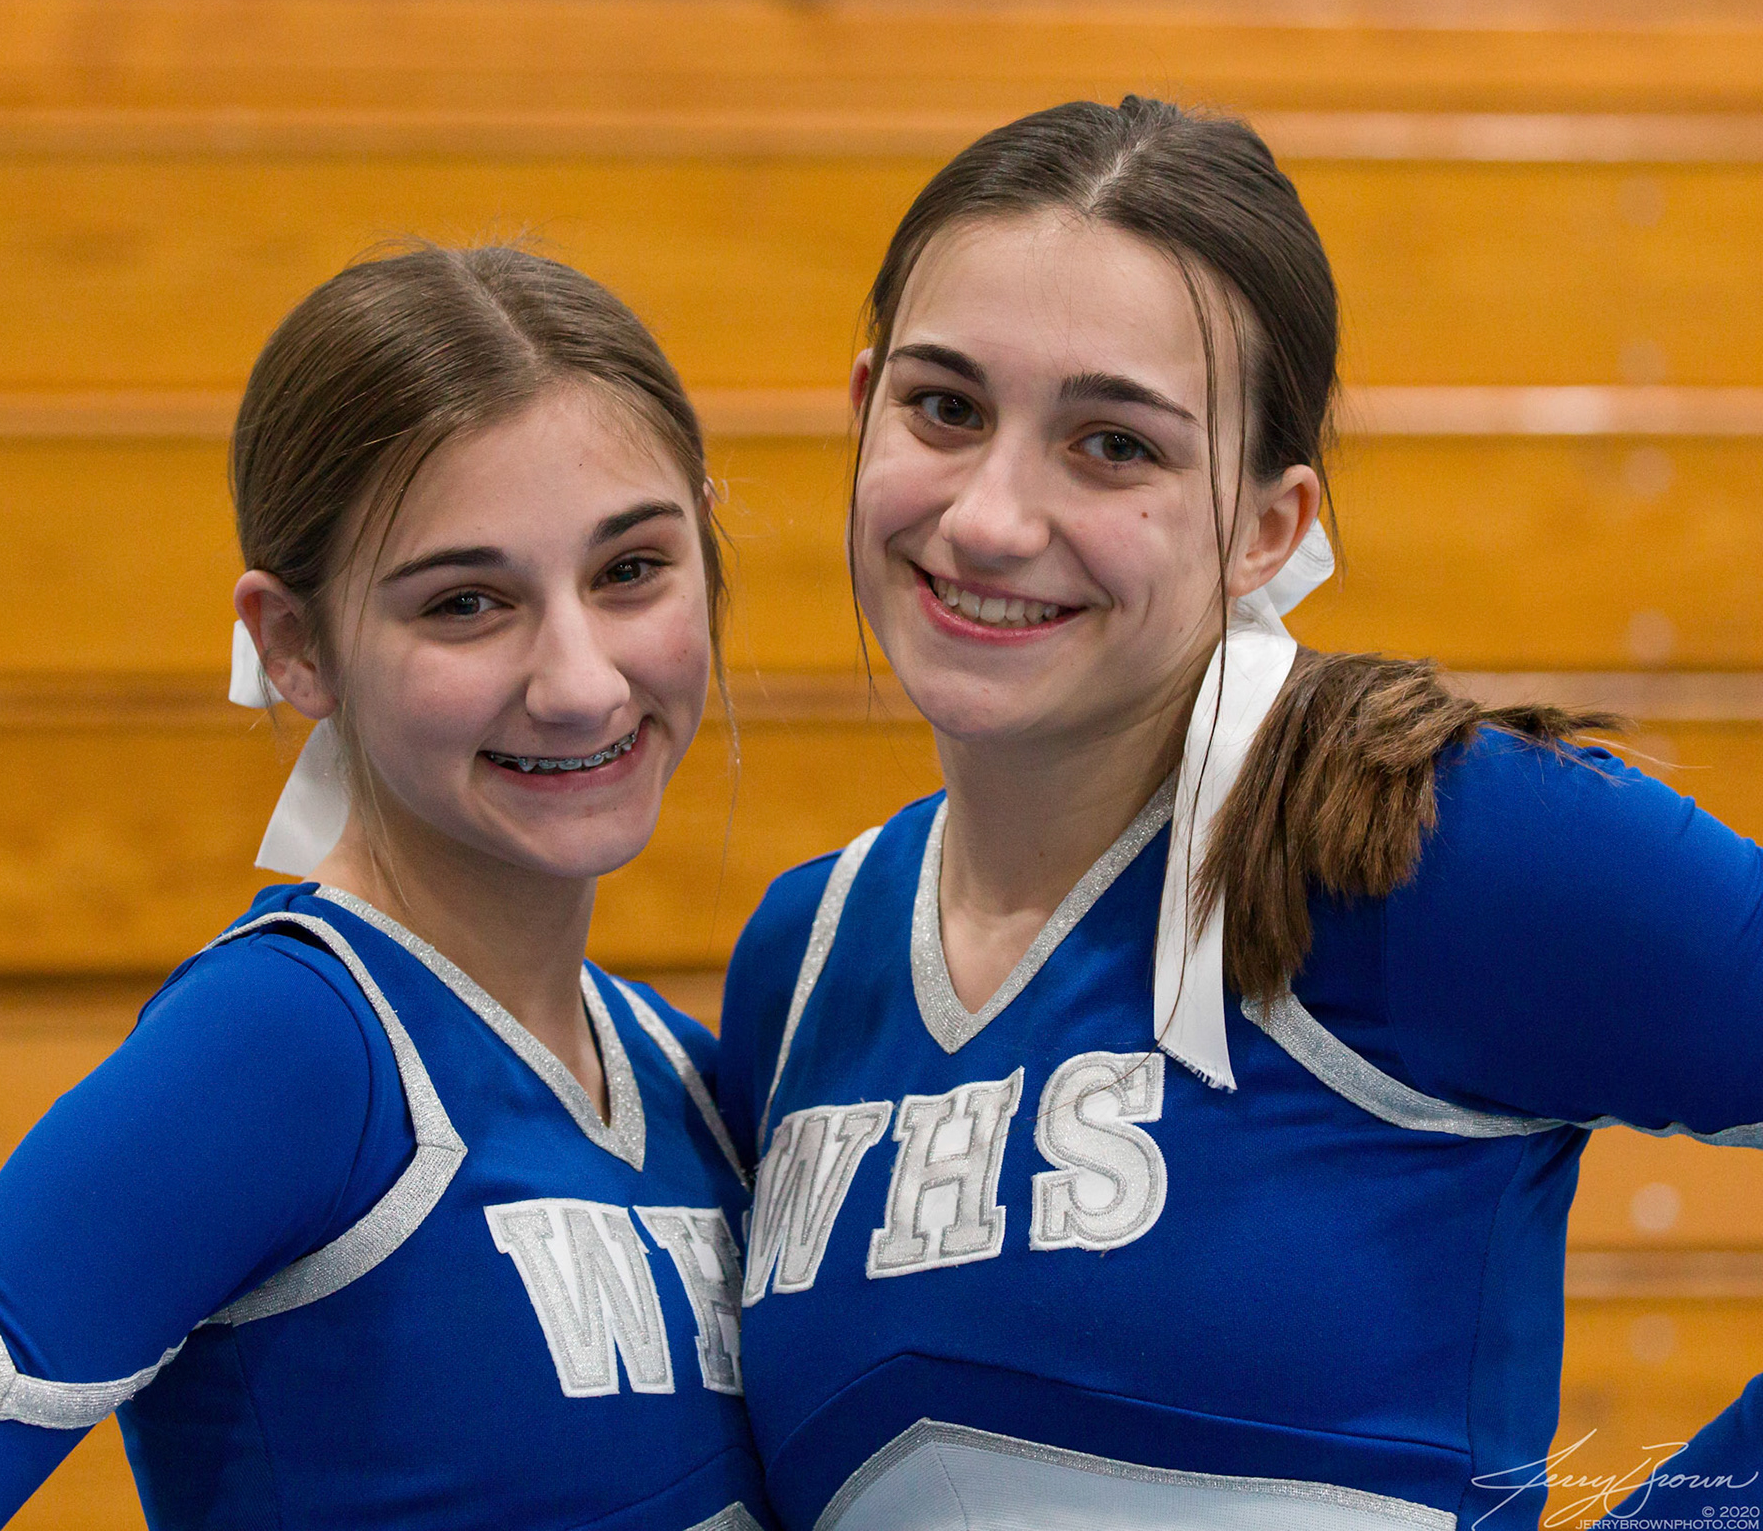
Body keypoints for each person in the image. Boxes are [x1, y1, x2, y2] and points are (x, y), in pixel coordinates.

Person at [715, 97, 1763, 1530]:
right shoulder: (803, 961)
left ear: (1269, 526)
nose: (989, 519)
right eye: (946, 409)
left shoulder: (1433, 846)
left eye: (1112, 445)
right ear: (861, 410)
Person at [0, 246, 770, 1531]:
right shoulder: (289, 1045)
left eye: (630, 572)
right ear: (294, 645)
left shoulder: (688, 1079)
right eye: (467, 603)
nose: (581, 683)